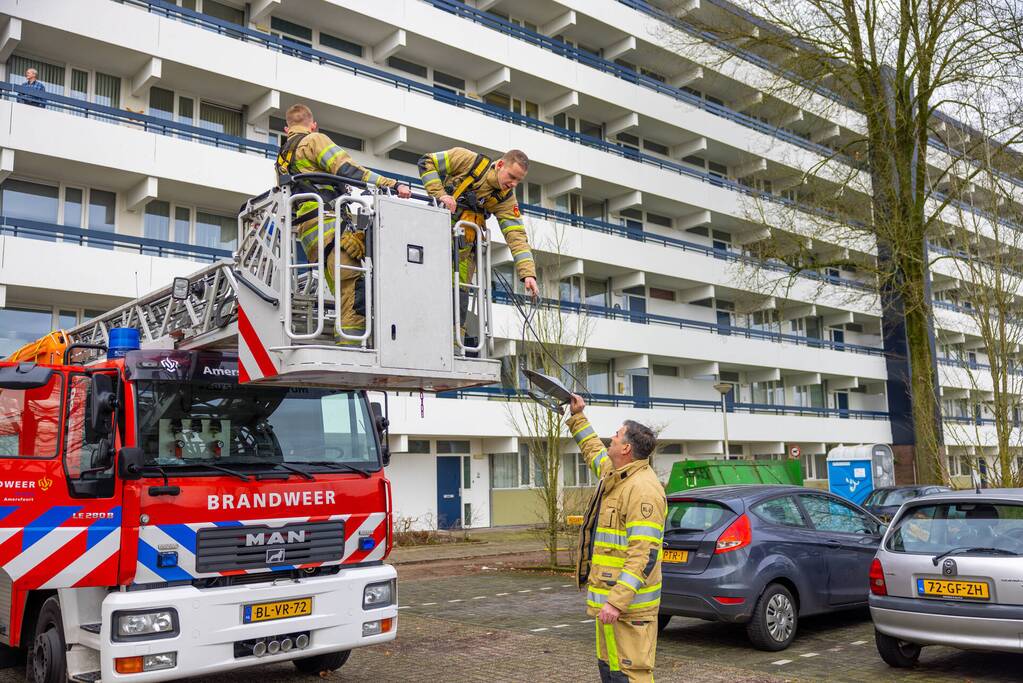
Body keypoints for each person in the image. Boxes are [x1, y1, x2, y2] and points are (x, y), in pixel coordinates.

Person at [275, 104, 410, 345]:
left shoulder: (282, 158)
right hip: (328, 221)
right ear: (313, 125)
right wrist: (390, 183)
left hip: (308, 232)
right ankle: (351, 346)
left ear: (287, 129)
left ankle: (345, 340)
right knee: (353, 283)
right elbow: (346, 169)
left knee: (338, 286)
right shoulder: (315, 140)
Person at [566, 393, 665, 683]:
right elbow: (593, 449)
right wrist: (577, 416)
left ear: (627, 447)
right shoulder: (616, 473)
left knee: (632, 675)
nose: (612, 437)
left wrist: (616, 602)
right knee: (611, 673)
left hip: (629, 610)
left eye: (618, 434)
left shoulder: (643, 490)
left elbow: (643, 554)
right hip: (611, 608)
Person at [417, 147, 539, 345]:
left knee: (460, 294)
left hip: (464, 252)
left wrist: (528, 274)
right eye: (511, 176)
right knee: (428, 287)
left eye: (518, 181)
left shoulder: (506, 198)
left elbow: (516, 234)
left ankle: (453, 345)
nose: (513, 184)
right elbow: (426, 161)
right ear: (500, 165)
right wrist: (440, 195)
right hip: (434, 238)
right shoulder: (466, 160)